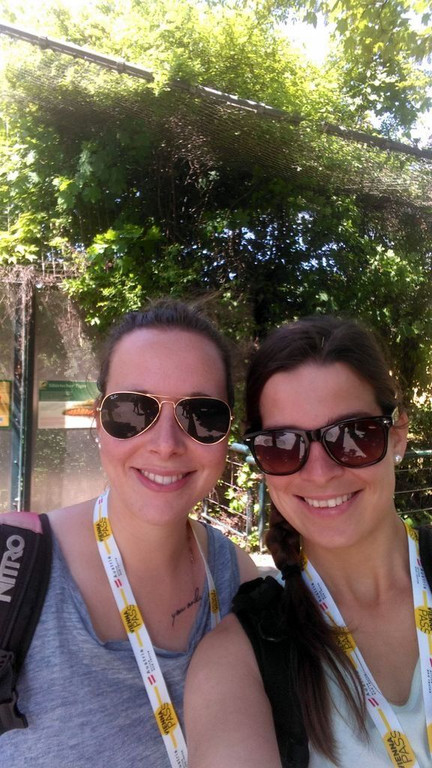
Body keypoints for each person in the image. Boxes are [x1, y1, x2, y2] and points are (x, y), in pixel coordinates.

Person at [2, 298, 257, 767]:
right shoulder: (9, 570)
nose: (165, 444)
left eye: (201, 414)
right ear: (99, 419)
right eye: (133, 410)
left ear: (226, 434)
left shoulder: (237, 579)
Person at [185, 314, 432, 768]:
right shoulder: (239, 659)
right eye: (282, 444)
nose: (320, 473)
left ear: (396, 436)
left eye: (353, 435)